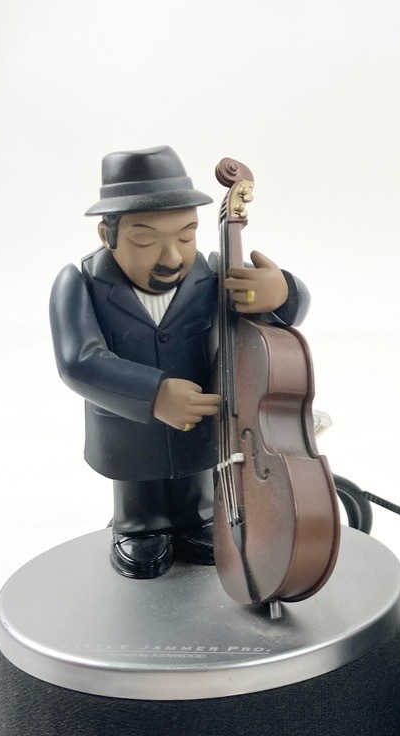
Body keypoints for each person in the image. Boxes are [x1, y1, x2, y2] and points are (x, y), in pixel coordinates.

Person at [50, 145, 308, 579]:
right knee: (139, 488)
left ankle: (196, 519)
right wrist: (153, 394)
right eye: (145, 241)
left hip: (201, 424)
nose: (171, 257)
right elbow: (78, 361)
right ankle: (138, 526)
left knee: (196, 482)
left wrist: (281, 292)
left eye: (186, 237)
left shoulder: (214, 274)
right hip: (128, 428)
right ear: (107, 235)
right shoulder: (79, 283)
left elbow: (271, 320)